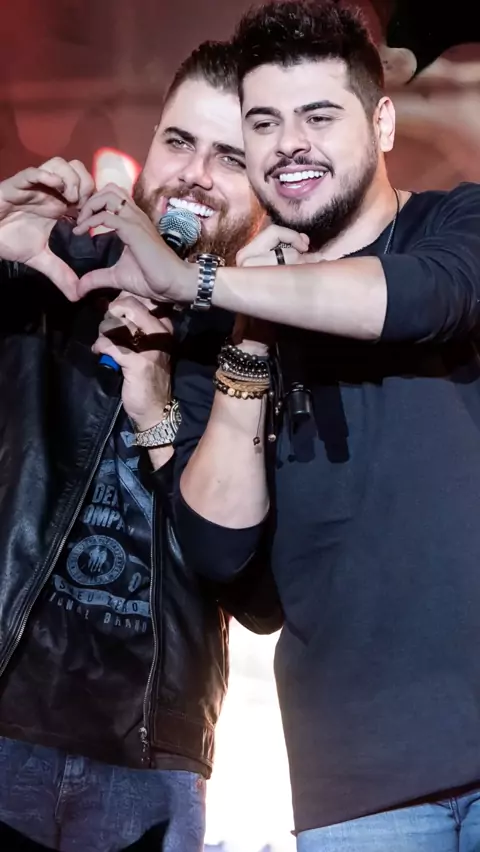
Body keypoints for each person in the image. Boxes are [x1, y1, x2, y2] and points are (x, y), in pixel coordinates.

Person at [75, 1, 480, 850]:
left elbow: (425, 298)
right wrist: (247, 335)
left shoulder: (454, 224)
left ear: (382, 123)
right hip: (360, 789)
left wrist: (203, 284)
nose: (290, 143)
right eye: (264, 123)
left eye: (319, 117)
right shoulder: (228, 327)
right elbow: (234, 570)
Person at [0, 39, 280, 852]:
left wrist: (161, 408)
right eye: (179, 142)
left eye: (230, 157)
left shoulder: (262, 348)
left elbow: (262, 597)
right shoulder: (47, 273)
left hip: (150, 760)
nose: (195, 175)